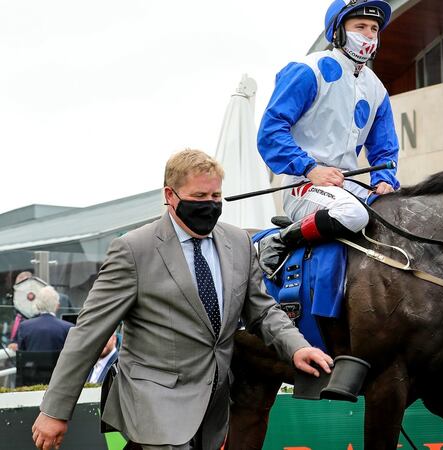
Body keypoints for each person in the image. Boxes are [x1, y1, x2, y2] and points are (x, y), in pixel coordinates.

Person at [31, 149, 332, 450]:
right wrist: (54, 411)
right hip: (153, 406)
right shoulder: (133, 250)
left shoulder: (239, 242)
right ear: (170, 195)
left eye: (216, 196)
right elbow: (89, 332)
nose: (210, 205)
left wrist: (297, 347)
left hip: (213, 409)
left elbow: (263, 311)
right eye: (199, 196)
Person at [257, 0, 400, 277]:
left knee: (402, 212)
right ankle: (279, 240)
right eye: (360, 26)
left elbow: (385, 150)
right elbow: (270, 132)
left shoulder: (377, 88)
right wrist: (311, 169)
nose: (369, 34)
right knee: (353, 214)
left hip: (349, 185)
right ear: (338, 33)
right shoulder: (307, 70)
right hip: (305, 184)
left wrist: (384, 181)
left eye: (374, 28)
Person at [16, 286, 73, 352]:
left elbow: (21, 354)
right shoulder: (69, 328)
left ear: (37, 306)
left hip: (33, 362)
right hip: (57, 362)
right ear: (57, 306)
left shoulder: (24, 326)